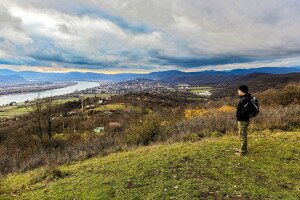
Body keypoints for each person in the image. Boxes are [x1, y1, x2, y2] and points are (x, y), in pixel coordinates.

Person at [235, 85, 252, 156]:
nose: (238, 91)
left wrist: (239, 115)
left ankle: (243, 151)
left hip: (243, 120)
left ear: (242, 91)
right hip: (243, 120)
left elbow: (245, 110)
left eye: (239, 90)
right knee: (242, 134)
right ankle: (242, 148)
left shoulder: (245, 99)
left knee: (242, 135)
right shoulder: (245, 98)